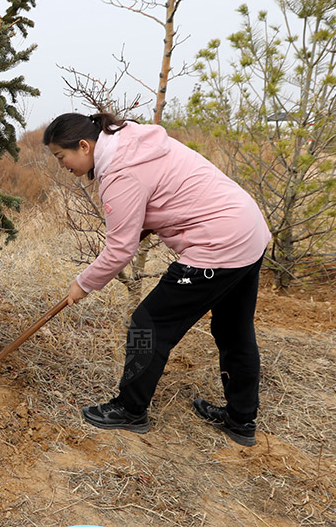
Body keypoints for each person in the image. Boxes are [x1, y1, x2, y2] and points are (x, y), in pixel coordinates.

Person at [44, 112, 271, 446]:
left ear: (83, 146)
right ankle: (241, 419)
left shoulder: (121, 172)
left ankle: (129, 409)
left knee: (146, 324)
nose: (61, 165)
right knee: (234, 329)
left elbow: (120, 250)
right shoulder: (134, 141)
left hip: (218, 244)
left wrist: (83, 284)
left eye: (61, 157)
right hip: (247, 229)